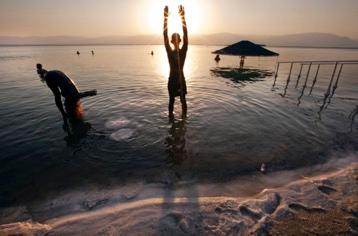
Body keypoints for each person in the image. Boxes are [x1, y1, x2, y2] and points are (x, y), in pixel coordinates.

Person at [36, 63, 97, 130]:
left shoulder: (48, 78)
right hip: (74, 89)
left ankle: (78, 129)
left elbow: (57, 96)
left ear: (42, 75)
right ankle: (85, 94)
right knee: (74, 102)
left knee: (71, 114)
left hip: (70, 93)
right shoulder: (55, 71)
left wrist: (63, 113)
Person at [163, 5, 188, 119]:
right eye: (175, 39)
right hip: (174, 80)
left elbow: (186, 34)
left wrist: (183, 17)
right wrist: (165, 18)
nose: (177, 41)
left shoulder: (183, 51)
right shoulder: (172, 51)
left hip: (178, 80)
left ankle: (182, 121)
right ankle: (173, 123)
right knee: (173, 102)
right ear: (173, 41)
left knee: (181, 101)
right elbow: (164, 35)